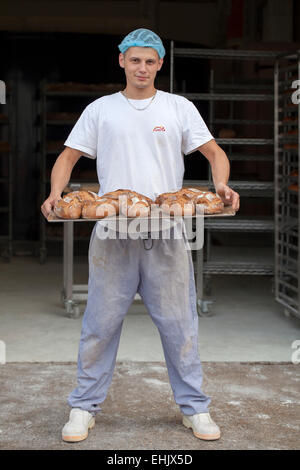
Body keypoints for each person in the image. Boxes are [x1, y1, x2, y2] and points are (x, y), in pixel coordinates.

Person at [41, 28, 240, 443]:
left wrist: (221, 186)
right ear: (121, 61)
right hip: (113, 233)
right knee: (100, 323)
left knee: (180, 325)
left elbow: (215, 153)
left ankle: (195, 408)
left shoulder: (178, 108)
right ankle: (83, 406)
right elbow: (68, 155)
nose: (142, 68)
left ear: (160, 65)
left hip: (166, 233)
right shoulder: (101, 110)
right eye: (135, 60)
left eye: (150, 61)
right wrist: (55, 193)